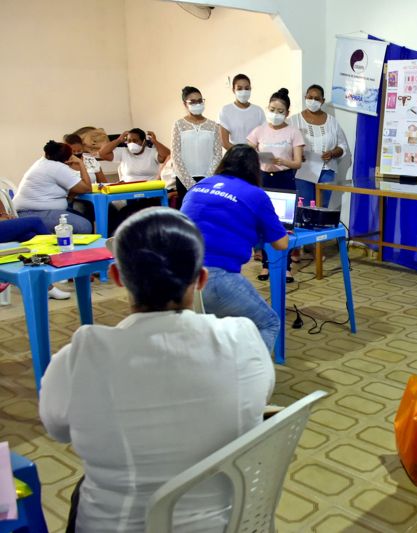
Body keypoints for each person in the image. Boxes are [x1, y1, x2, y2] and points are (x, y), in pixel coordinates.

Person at [39, 208, 275, 532]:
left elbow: (57, 429)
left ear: (116, 276)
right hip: (224, 523)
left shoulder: (80, 356)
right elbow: (259, 395)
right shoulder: (244, 338)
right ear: (202, 279)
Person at [181, 144, 289, 353]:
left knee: (212, 325)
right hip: (214, 278)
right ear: (254, 168)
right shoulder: (255, 194)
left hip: (177, 277)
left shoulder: (200, 185)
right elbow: (281, 243)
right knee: (268, 322)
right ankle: (251, 380)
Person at [247, 88, 304, 280]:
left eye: (280, 111)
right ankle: (266, 265)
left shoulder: (293, 132)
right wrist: (257, 159)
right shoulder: (259, 130)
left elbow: (298, 162)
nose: (276, 114)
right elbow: (246, 153)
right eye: (272, 109)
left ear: (287, 113)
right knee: (263, 222)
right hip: (263, 179)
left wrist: (283, 162)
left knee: (284, 224)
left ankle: (286, 267)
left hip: (285, 178)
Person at [288, 84, 350, 207]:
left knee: (323, 207)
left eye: (317, 98)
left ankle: (321, 227)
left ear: (323, 101)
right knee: (304, 206)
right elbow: (285, 145)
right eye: (310, 97)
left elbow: (343, 146)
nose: (313, 101)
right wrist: (296, 154)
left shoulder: (332, 121)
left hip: (327, 171)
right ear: (305, 97)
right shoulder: (293, 120)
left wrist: (332, 153)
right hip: (303, 170)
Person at [14, 141, 93, 234]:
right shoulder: (57, 167)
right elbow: (87, 188)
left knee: (86, 217)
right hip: (33, 213)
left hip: (32, 211)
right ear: (68, 158)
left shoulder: (43, 163)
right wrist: (81, 163)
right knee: (84, 226)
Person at [172, 86, 223, 208]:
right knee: (188, 214)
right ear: (185, 104)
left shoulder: (213, 126)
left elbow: (218, 154)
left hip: (208, 180)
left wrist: (206, 180)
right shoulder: (178, 125)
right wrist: (190, 184)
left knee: (207, 213)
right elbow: (175, 155)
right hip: (184, 180)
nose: (197, 104)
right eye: (193, 102)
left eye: (200, 101)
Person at [97, 128, 170, 182]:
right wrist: (119, 140)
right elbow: (102, 153)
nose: (132, 143)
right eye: (129, 141)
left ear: (144, 142)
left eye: (135, 141)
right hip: (129, 189)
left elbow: (167, 156)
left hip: (150, 189)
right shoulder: (123, 152)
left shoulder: (152, 152)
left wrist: (155, 141)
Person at [218, 73, 266, 149]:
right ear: (233, 90)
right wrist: (241, 153)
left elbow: (263, 139)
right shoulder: (225, 110)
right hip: (234, 156)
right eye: (239, 89)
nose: (244, 92)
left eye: (247, 88)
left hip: (254, 157)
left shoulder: (258, 111)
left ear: (250, 89)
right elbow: (224, 142)